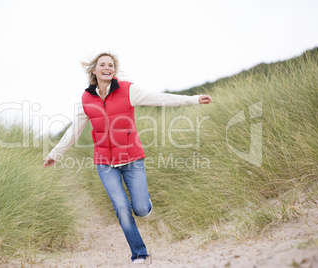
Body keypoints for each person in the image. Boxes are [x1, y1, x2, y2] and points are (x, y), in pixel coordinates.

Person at [44, 52, 212, 264]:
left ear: (114, 70)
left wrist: (194, 99)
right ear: (94, 70)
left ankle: (145, 205)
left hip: (132, 160)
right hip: (105, 164)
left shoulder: (128, 90)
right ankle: (139, 253)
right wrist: (55, 154)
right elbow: (73, 131)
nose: (107, 67)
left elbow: (160, 99)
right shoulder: (86, 99)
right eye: (102, 65)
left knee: (141, 209)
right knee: (122, 208)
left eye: (111, 65)